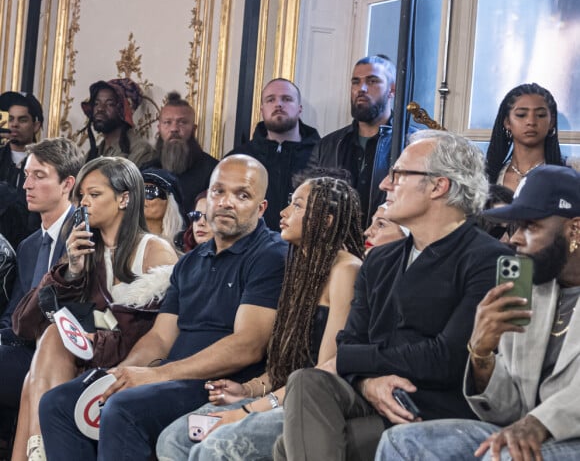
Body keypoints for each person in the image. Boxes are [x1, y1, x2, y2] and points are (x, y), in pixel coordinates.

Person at [274, 130, 511, 461]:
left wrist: (354, 361)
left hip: (435, 411)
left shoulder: (494, 259)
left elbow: (449, 357)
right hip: (373, 398)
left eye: (399, 174)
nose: (386, 184)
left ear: (438, 186)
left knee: (287, 447)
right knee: (305, 381)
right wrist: (367, 383)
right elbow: (349, 344)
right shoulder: (381, 260)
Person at [38, 155, 287, 461]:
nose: (226, 202)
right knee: (58, 402)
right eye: (218, 191)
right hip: (174, 377)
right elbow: (160, 338)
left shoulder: (270, 255)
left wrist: (158, 376)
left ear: (261, 208)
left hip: (216, 385)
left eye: (242, 195)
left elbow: (247, 346)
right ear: (207, 196)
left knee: (123, 409)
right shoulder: (191, 262)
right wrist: (123, 373)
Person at [375, 164, 580, 461]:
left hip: (569, 434)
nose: (514, 239)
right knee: (401, 443)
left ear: (574, 229)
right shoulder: (529, 290)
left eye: (530, 226)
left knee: (505, 457)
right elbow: (507, 410)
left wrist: (539, 423)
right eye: (515, 227)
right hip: (525, 430)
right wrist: (482, 354)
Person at [156, 176, 365, 460]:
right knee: (174, 438)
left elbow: (320, 377)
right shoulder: (297, 268)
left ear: (326, 221)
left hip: (310, 405)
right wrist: (247, 389)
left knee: (214, 447)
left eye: (297, 205)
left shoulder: (346, 269)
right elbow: (287, 364)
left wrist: (249, 409)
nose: (284, 212)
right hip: (279, 396)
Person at [11, 157, 178, 461]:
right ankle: (41, 450)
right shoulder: (84, 250)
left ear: (125, 198)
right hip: (87, 359)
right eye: (82, 196)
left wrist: (94, 341)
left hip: (132, 364)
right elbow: (23, 324)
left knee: (38, 368)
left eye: (95, 194)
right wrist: (70, 272)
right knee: (46, 344)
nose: (84, 203)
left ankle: (41, 450)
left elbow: (154, 337)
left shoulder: (154, 251)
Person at [0, 138, 84, 456]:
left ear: (68, 183)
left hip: (66, 356)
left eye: (39, 175)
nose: (26, 185)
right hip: (24, 350)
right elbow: (14, 315)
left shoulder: (85, 236)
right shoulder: (30, 245)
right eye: (26, 174)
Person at [309, 55, 403, 226]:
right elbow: (313, 202)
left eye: (372, 81)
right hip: (335, 247)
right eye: (356, 82)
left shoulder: (411, 144)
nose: (362, 88)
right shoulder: (328, 145)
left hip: (388, 246)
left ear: (392, 89)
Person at [228, 78, 320, 231]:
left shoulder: (323, 155)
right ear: (262, 109)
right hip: (251, 248)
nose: (278, 104)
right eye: (271, 100)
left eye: (287, 99)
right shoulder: (240, 159)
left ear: (299, 108)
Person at [486, 83, 564, 191]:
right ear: (507, 122)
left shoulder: (567, 178)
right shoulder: (487, 177)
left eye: (540, 115)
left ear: (552, 122)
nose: (531, 122)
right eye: (521, 115)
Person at [154, 91, 218, 211]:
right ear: (159, 128)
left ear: (194, 129)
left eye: (182, 122)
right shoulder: (148, 170)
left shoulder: (213, 171)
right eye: (167, 122)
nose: (174, 129)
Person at [0, 91, 44, 247]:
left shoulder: (46, 163)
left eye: (22, 120)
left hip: (31, 243)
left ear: (36, 126)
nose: (14, 124)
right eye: (10, 119)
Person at [81, 78, 156, 167]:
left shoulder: (141, 150)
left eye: (110, 104)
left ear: (124, 111)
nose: (100, 108)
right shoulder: (93, 154)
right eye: (96, 103)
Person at [141, 168, 187, 250]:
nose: (142, 198)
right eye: (138, 192)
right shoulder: (122, 241)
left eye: (150, 191)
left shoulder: (186, 244)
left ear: (170, 202)